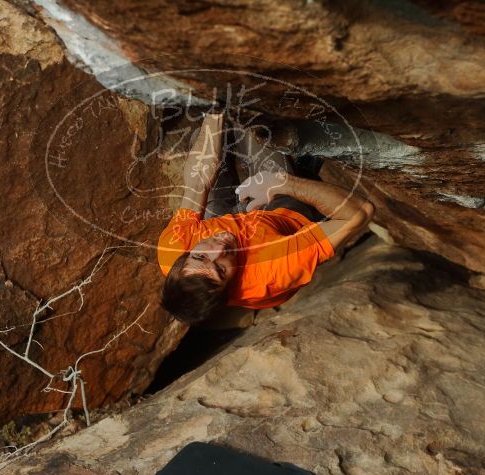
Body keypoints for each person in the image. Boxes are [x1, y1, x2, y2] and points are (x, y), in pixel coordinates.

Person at [157, 111, 374, 324]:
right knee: (256, 126)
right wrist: (283, 183)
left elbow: (198, 182)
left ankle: (231, 123)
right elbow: (359, 213)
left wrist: (215, 111)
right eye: (221, 270)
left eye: (200, 256)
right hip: (281, 220)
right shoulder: (275, 269)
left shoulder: (173, 248)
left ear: (185, 255)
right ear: (231, 288)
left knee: (204, 136)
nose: (219, 249)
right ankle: (301, 168)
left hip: (230, 219)